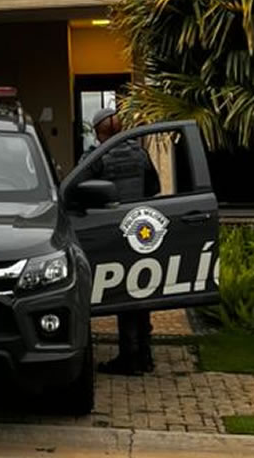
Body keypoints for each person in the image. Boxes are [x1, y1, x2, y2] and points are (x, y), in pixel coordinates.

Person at [83, 106, 162, 375]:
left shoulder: (96, 157)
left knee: (124, 294)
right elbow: (154, 188)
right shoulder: (140, 153)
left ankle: (130, 358)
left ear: (98, 132)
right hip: (141, 232)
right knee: (141, 291)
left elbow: (80, 190)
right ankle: (145, 355)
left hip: (114, 233)